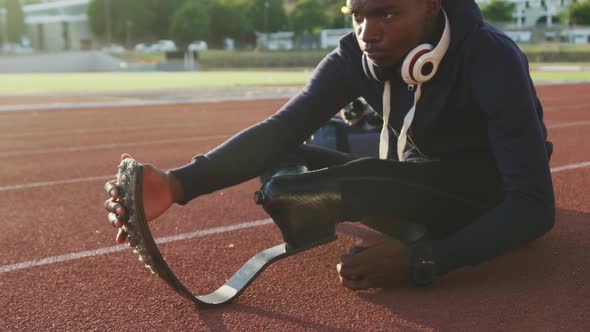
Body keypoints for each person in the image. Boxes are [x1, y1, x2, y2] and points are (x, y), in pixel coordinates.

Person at [105, 0, 554, 290]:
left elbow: (534, 207)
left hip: (488, 196)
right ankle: (312, 206)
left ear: (431, 8)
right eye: (357, 15)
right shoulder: (354, 58)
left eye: (386, 13)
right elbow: (282, 129)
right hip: (416, 184)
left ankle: (396, 225)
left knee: (354, 179)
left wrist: (424, 260)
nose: (367, 32)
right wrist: (178, 184)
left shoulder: (490, 55)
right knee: (282, 160)